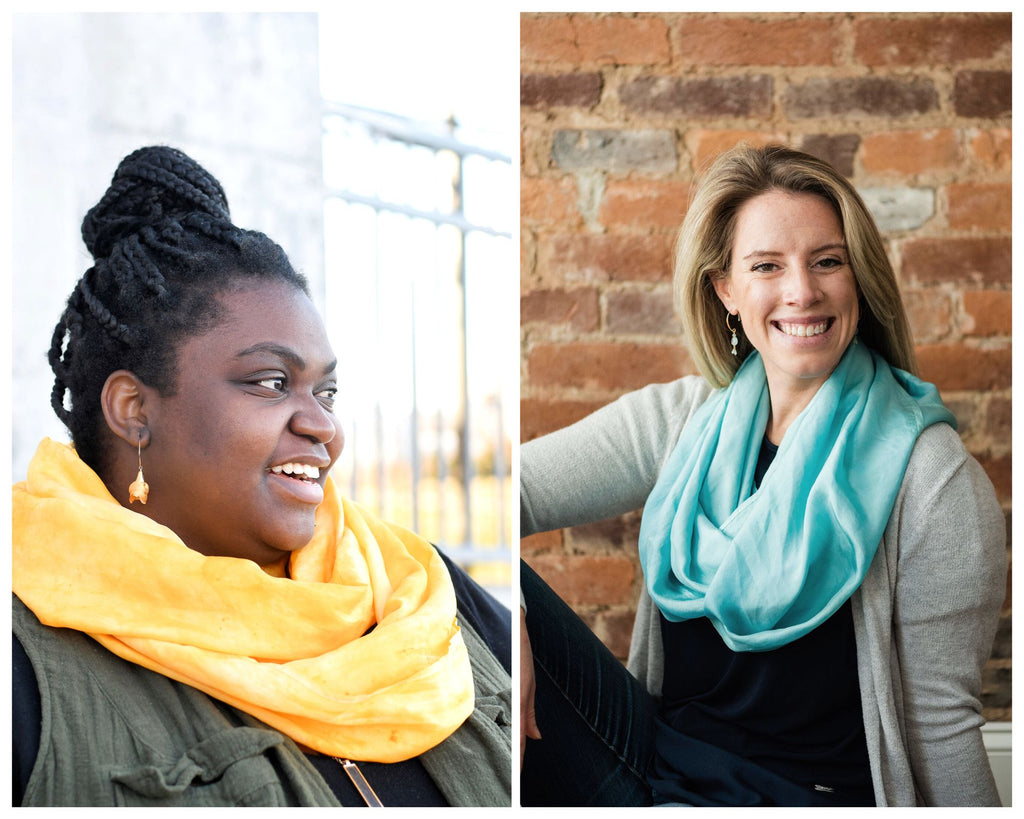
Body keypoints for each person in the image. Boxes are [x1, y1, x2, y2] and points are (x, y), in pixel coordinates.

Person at [13, 145, 511, 807]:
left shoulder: (417, 589)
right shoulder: (23, 670)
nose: (323, 426)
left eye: (326, 392)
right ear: (134, 410)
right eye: (272, 382)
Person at [519, 143, 1006, 807]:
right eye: (767, 266)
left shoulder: (931, 477)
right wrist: (506, 610)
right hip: (653, 772)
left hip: (806, 796)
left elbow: (942, 723)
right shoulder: (682, 420)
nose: (802, 291)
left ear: (858, 275)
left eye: (827, 262)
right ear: (726, 288)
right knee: (461, 578)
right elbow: (502, 491)